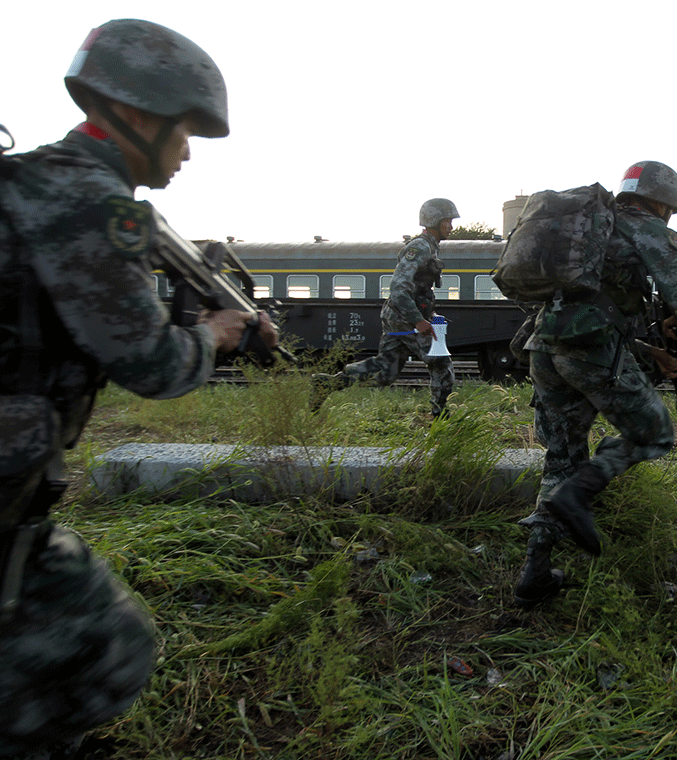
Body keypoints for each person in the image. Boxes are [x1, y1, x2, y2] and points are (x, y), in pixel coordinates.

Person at [0, 19, 278, 760]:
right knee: (108, 651)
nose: (187, 151)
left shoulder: (37, 182)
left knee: (99, 649)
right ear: (143, 115)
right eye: (185, 130)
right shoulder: (96, 205)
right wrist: (217, 334)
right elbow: (151, 366)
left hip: (14, 506)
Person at [512, 161, 677, 607]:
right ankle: (579, 494)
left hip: (544, 348)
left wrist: (650, 352)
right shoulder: (645, 226)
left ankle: (534, 575)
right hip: (589, 348)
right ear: (662, 201)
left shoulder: (587, 229)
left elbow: (588, 314)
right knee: (654, 432)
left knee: (561, 458)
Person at [311, 199, 459, 418]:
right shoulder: (419, 247)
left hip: (400, 315)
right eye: (447, 221)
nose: (451, 226)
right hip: (405, 318)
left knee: (384, 371)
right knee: (440, 363)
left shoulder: (430, 246)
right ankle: (441, 418)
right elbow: (399, 288)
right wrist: (418, 320)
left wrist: (430, 315)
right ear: (434, 221)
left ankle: (327, 384)